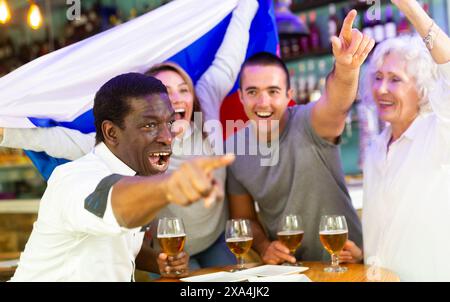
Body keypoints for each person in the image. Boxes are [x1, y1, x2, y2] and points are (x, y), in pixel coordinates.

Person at [0, 0, 258, 270]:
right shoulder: (103, 160)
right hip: (170, 246)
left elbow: (230, 56)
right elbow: (62, 148)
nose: (175, 101)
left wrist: (247, 4)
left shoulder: (205, 101)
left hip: (215, 239)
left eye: (183, 90)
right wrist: (5, 131)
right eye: (161, 100)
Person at [9, 73, 234, 282]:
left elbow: (119, 241)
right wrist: (170, 185)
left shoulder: (135, 174)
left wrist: (157, 261)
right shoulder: (74, 179)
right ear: (111, 133)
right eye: (150, 125)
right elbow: (106, 201)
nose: (167, 137)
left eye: (170, 123)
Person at [226, 10, 374, 264]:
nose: (263, 102)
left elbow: (336, 103)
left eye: (273, 91)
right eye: (253, 91)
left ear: (289, 94)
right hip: (290, 272)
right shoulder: (234, 150)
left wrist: (346, 70)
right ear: (241, 97)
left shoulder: (310, 122)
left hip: (348, 263)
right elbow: (245, 219)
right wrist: (264, 247)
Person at [338, 0, 450, 281]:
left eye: (395, 80)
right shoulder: (378, 147)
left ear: (422, 89)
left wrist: (411, 9)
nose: (382, 89)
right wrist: (365, 254)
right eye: (377, 77)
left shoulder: (438, 134)